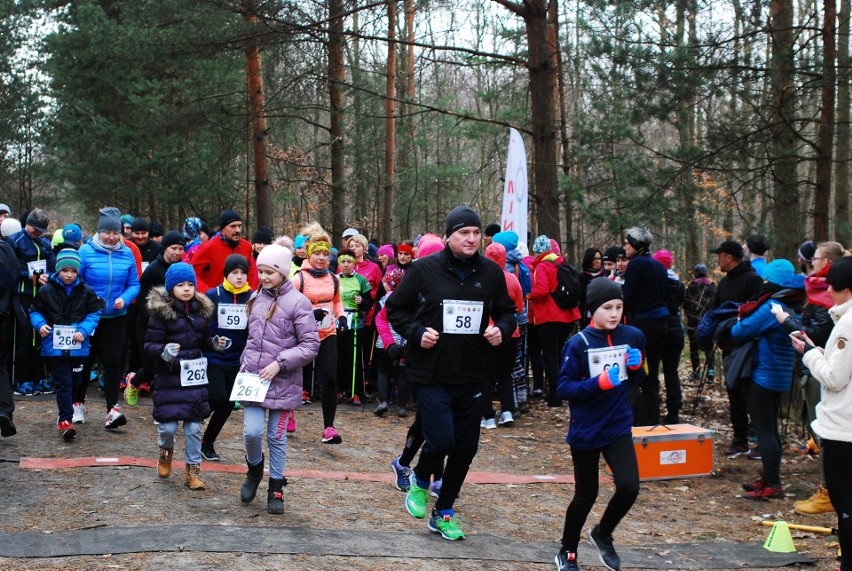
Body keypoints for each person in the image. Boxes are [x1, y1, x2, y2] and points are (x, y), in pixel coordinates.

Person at [386, 205, 516, 541]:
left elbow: (508, 314)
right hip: (431, 371)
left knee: (465, 448)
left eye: (476, 233)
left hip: (474, 372)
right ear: (448, 237)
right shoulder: (423, 270)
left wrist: (500, 329)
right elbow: (395, 309)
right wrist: (416, 332)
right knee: (442, 438)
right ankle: (418, 479)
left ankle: (443, 512)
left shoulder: (490, 273)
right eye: (464, 233)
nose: (472, 238)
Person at [554, 278, 645, 571]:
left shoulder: (633, 335)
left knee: (630, 486)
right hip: (586, 429)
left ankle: (603, 533)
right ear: (592, 310)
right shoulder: (578, 343)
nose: (614, 313)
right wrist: (597, 384)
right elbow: (563, 388)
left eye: (619, 306)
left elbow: (639, 379)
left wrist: (636, 366)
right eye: (607, 307)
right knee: (586, 495)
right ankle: (567, 552)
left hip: (617, 425)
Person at [238, 244, 320, 513]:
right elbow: (251, 339)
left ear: (283, 272)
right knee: (251, 432)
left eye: (269, 272)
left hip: (283, 383)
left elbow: (310, 345)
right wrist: (245, 365)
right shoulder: (255, 298)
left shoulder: (299, 303)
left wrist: (280, 363)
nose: (263, 277)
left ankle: (276, 486)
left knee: (276, 435)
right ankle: (254, 469)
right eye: (260, 271)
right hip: (253, 381)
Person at [775, 241, 847, 514]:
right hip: (815, 365)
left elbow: (834, 373)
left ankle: (830, 491)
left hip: (822, 372)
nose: (809, 262)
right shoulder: (817, 291)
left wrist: (786, 322)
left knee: (827, 433)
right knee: (819, 430)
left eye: (815, 258)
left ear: (827, 264)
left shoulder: (835, 305)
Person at [793, 256, 852, 571]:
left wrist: (811, 355)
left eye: (832, 284)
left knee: (845, 503)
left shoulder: (848, 323)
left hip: (844, 429)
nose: (828, 289)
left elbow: (835, 377)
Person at [145, 262, 226, 490]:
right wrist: (164, 352)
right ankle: (165, 452)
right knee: (168, 429)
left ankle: (193, 472)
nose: (187, 289)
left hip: (194, 381)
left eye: (190, 284)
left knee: (193, 429)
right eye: (181, 284)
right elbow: (150, 344)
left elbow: (204, 341)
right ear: (172, 288)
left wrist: (214, 344)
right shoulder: (161, 315)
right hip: (169, 380)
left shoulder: (202, 313)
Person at [731, 259, 805, 499]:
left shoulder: (773, 305)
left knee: (765, 431)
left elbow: (740, 331)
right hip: (778, 376)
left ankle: (773, 484)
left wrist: (738, 320)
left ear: (770, 282)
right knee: (770, 430)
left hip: (762, 375)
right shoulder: (793, 305)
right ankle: (768, 478)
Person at [29, 249, 102, 441]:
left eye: (73, 271)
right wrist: (40, 325)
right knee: (64, 384)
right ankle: (65, 420)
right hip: (55, 347)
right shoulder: (46, 290)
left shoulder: (86, 291)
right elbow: (35, 311)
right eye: (65, 270)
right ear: (58, 270)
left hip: (79, 347)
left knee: (76, 383)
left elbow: (94, 313)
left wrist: (84, 330)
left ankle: (68, 414)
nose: (69, 275)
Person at [77, 207, 140, 429]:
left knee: (113, 362)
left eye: (116, 232)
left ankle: (112, 410)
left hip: (116, 316)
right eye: (107, 233)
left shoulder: (127, 253)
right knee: (84, 361)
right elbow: (77, 281)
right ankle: (77, 404)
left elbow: (134, 284)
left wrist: (125, 298)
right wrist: (90, 299)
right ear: (99, 231)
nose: (112, 237)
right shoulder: (86, 252)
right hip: (90, 317)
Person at [710, 239, 764, 456]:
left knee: (751, 394)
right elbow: (714, 312)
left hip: (750, 348)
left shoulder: (753, 280)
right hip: (729, 348)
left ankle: (760, 439)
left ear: (728, 257)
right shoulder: (723, 283)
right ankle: (739, 440)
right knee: (734, 394)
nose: (718, 259)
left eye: (719, 255)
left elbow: (759, 312)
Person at [198, 254, 254, 460]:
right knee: (218, 396)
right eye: (234, 272)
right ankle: (195, 417)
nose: (239, 277)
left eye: (243, 273)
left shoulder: (252, 296)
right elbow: (202, 325)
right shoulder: (214, 294)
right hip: (215, 357)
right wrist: (211, 340)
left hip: (238, 359)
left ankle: (207, 442)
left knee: (228, 404)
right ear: (226, 274)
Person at [295, 223, 346, 443]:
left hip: (327, 333)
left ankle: (329, 428)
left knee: (330, 377)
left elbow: (337, 302)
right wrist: (308, 315)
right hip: (302, 335)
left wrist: (341, 317)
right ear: (308, 253)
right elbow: (289, 306)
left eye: (326, 253)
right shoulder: (299, 278)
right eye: (317, 252)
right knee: (295, 377)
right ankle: (287, 414)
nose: (322, 257)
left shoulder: (334, 278)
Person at [125, 231, 187, 400]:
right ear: (165, 248)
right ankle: (134, 381)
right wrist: (155, 319)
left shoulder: (182, 269)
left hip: (174, 324)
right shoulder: (153, 269)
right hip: (149, 325)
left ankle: (166, 402)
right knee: (151, 366)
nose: (177, 252)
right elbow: (142, 298)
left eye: (181, 248)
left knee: (170, 364)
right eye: (173, 248)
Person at [621, 227, 668, 425]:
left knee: (637, 372)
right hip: (661, 325)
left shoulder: (636, 265)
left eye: (627, 242)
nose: (625, 246)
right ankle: (653, 418)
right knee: (652, 374)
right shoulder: (658, 265)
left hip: (641, 326)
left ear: (636, 245)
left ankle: (640, 421)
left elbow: (629, 298)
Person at [528, 235, 581, 408]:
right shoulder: (562, 264)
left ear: (537, 251)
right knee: (558, 355)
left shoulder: (543, 266)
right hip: (568, 316)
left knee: (550, 357)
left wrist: (529, 296)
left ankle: (555, 397)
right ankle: (562, 392)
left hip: (550, 317)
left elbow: (542, 291)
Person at [7, 208, 55, 396]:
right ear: (27, 224)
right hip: (22, 294)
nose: (37, 233)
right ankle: (21, 379)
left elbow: (53, 265)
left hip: (41, 296)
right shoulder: (14, 241)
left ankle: (38, 377)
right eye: (35, 229)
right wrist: (29, 276)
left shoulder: (44, 243)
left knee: (40, 334)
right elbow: (10, 268)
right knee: (25, 334)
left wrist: (48, 276)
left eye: (40, 231)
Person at [482, 241, 524, 428]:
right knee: (505, 374)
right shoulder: (512, 279)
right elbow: (520, 307)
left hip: (486, 333)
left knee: (486, 375)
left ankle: (488, 416)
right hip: (510, 333)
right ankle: (507, 411)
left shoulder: (480, 280)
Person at [651, 249, 686, 424]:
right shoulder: (679, 283)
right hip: (676, 332)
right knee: (671, 372)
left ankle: (654, 408)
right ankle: (674, 412)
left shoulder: (656, 283)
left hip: (660, 330)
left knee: (653, 371)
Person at [191, 209, 259, 293]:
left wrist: (250, 292)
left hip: (240, 300)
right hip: (215, 301)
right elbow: (193, 274)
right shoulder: (208, 247)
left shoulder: (247, 246)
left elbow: (250, 272)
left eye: (239, 226)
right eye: (233, 226)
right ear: (223, 228)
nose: (237, 230)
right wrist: (209, 293)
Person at [0, 235, 20, 437]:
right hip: (3, 313)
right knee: (1, 366)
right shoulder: (5, 249)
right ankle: (5, 411)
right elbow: (15, 275)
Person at [684, 263, 717, 381]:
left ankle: (697, 373)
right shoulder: (713, 288)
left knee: (694, 348)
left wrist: (689, 316)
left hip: (693, 322)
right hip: (709, 322)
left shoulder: (691, 288)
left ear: (695, 274)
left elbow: (686, 305)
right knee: (709, 347)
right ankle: (711, 373)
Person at [578, 247, 605, 320]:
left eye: (600, 258)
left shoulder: (605, 276)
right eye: (595, 258)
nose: (598, 261)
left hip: (603, 315)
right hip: (586, 317)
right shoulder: (581, 277)